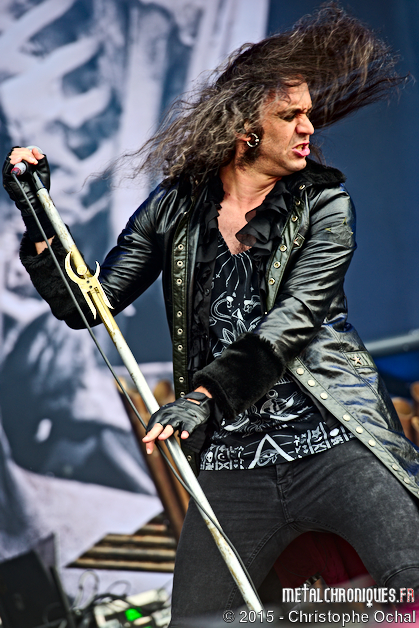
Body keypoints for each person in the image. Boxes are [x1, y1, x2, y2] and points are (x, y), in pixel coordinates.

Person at [3, 5, 419, 625]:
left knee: (406, 587)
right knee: (199, 619)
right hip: (232, 465)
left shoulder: (326, 203)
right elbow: (90, 304)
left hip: (333, 443)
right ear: (246, 125)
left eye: (308, 113)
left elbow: (291, 323)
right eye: (290, 115)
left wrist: (201, 397)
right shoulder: (174, 206)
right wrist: (35, 213)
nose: (308, 127)